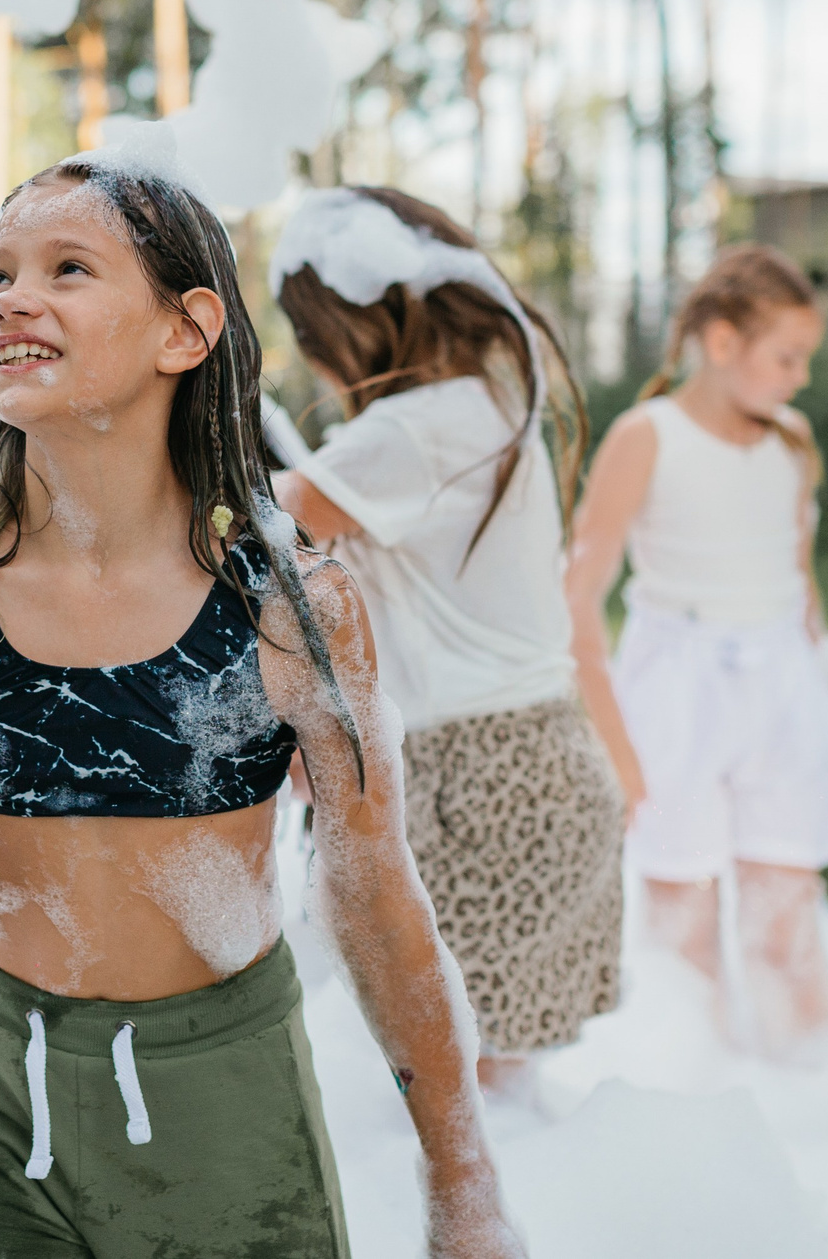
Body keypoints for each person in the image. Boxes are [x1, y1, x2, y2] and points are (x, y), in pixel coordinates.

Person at [0, 158, 522, 1259]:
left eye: (67, 268)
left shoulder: (290, 606)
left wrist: (462, 1184)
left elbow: (377, 903)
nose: (9, 299)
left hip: (224, 1105)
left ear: (185, 331)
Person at [269, 188, 629, 1102]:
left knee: (445, 1094)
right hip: (539, 764)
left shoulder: (415, 430)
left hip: (475, 778)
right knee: (485, 1095)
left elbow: (257, 528)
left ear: (347, 326)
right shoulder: (488, 400)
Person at [564, 244, 828, 1055]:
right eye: (788, 357)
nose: (801, 377)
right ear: (724, 341)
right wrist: (615, 744)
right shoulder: (647, 435)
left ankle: (812, 1070)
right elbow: (578, 596)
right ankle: (701, 1077)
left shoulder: (791, 440)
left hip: (783, 686)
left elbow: (801, 586)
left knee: (786, 907)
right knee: (683, 919)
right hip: (678, 689)